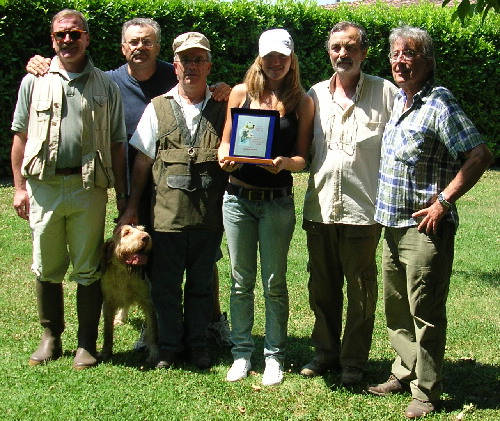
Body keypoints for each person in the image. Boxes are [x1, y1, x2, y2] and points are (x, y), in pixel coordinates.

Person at [26, 18, 233, 348]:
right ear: (123, 48)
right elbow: (73, 75)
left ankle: (213, 322)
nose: (140, 47)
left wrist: (227, 88)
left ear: (160, 48)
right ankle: (152, 327)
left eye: (147, 41)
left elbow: (205, 81)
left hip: (183, 187)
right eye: (133, 42)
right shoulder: (108, 82)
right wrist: (42, 62)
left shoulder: (176, 71)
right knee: (145, 257)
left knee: (204, 262)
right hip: (135, 183)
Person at [367, 26, 493, 418]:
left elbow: (480, 155)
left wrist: (443, 201)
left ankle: (426, 391)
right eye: (395, 54)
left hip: (425, 231)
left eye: (410, 54)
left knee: (425, 311)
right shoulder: (400, 102)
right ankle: (405, 371)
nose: (400, 61)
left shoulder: (439, 103)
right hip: (391, 227)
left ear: (427, 61)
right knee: (397, 309)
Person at [11, 9, 127, 369]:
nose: (67, 40)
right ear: (52, 39)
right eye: (61, 34)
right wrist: (19, 188)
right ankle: (51, 336)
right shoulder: (35, 81)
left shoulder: (107, 86)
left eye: (75, 34)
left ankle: (86, 344)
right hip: (44, 185)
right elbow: (20, 136)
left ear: (87, 38)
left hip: (88, 187)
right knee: (47, 264)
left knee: (88, 266)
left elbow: (118, 143)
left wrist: (123, 197)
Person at [118, 32, 228, 369]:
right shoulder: (158, 108)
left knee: (200, 286)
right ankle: (168, 347)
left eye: (199, 60)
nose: (192, 66)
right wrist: (133, 207)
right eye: (185, 60)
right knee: (165, 287)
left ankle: (197, 346)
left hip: (209, 220)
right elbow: (142, 161)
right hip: (166, 219)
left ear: (208, 65)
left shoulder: (225, 108)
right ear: (175, 65)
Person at [300, 22, 397, 385]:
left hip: (364, 211)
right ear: (329, 52)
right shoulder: (314, 95)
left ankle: (353, 361)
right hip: (320, 208)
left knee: (360, 290)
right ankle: (325, 352)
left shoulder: (385, 93)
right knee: (321, 287)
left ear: (364, 52)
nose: (343, 54)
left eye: (350, 47)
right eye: (337, 47)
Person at [218, 28, 314, 386]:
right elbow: (227, 141)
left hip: (276, 204)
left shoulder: (302, 100)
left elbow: (303, 158)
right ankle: (242, 353)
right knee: (240, 281)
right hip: (237, 200)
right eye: (270, 56)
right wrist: (224, 158)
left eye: (283, 57)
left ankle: (274, 356)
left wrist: (284, 163)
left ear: (292, 60)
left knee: (274, 283)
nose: (276, 62)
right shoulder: (242, 94)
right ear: (260, 58)